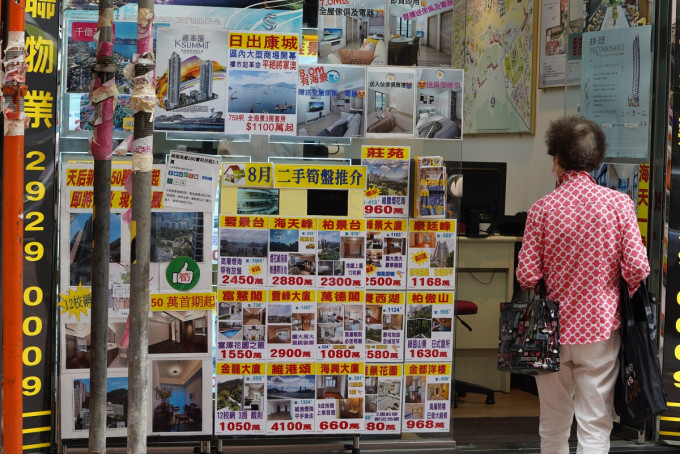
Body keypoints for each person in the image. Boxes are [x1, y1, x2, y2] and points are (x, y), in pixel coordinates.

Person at [516, 116, 650, 454]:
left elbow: (527, 275)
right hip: (602, 328)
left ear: (557, 160)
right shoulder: (619, 205)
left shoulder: (542, 209)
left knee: (553, 421)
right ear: (597, 160)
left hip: (551, 331)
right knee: (595, 420)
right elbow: (637, 268)